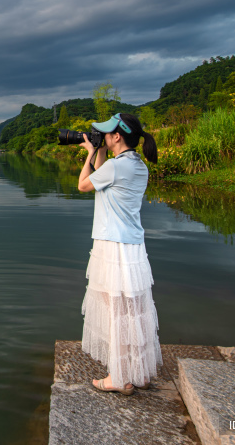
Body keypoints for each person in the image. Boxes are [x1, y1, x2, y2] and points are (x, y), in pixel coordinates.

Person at [77, 112, 161, 395]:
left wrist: (89, 154)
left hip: (112, 247)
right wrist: (100, 152)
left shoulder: (116, 167)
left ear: (117, 136)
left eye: (106, 134)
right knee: (133, 310)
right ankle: (139, 373)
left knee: (115, 310)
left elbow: (84, 185)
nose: (103, 137)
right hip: (134, 248)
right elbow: (103, 178)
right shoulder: (136, 165)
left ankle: (119, 378)